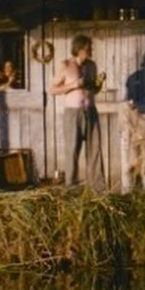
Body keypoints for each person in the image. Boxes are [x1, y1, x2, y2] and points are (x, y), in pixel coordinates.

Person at [48, 35, 106, 189]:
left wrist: (99, 83)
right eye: (88, 48)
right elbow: (52, 89)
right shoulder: (66, 65)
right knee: (72, 150)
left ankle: (98, 188)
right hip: (73, 114)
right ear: (79, 49)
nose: (91, 51)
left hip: (91, 111)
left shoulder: (92, 66)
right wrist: (73, 85)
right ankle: (70, 188)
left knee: (95, 150)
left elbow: (94, 89)